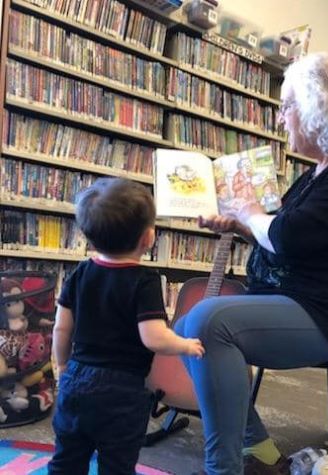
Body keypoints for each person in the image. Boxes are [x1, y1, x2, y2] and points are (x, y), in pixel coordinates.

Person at [175, 53, 328, 475]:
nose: (280, 119)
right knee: (185, 329)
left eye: (286, 106)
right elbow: (288, 237)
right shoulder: (317, 174)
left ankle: (222, 468)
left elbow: (288, 237)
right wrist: (242, 225)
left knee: (207, 322)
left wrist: (249, 212)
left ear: (318, 109)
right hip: (303, 304)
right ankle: (259, 452)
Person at [48, 178, 204, 475]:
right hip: (121, 390)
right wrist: (185, 345)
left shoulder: (81, 272)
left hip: (76, 380)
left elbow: (61, 328)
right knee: (117, 464)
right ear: (148, 238)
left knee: (66, 459)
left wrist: (63, 367)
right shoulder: (144, 281)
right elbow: (153, 337)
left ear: (89, 238)